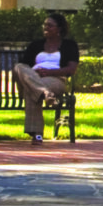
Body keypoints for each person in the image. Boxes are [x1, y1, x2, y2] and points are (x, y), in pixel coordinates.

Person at [12, 12, 81, 144]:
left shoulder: (69, 45)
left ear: (59, 28)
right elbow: (23, 67)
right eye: (44, 25)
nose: (46, 28)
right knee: (18, 67)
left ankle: (37, 135)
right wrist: (35, 73)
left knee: (31, 91)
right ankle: (45, 93)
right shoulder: (35, 45)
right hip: (33, 77)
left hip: (56, 79)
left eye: (50, 25)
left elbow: (71, 69)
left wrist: (50, 72)